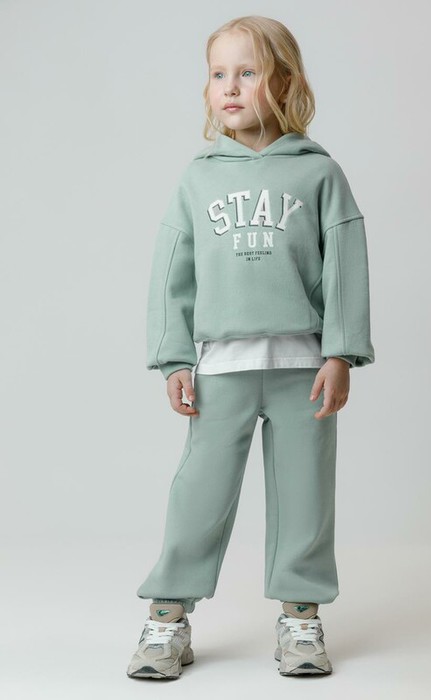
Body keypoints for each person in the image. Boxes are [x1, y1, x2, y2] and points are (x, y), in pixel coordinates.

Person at [127, 14, 375, 680]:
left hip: (303, 369)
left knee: (305, 495)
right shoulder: (198, 178)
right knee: (199, 495)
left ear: (284, 83)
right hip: (222, 369)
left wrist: (341, 353)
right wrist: (174, 358)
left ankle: (300, 617)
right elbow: (172, 273)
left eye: (247, 72)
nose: (230, 87)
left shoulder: (319, 173)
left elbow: (345, 263)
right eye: (218, 74)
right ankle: (166, 617)